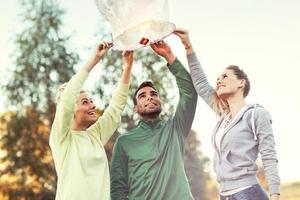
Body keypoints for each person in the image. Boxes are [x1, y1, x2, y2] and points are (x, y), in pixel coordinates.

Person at [174, 28, 280, 200]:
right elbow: (200, 83)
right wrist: (187, 46)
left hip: (248, 192)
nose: (219, 80)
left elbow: (269, 155)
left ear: (241, 82)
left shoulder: (255, 114)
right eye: (218, 78)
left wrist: (274, 194)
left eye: (224, 76)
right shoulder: (223, 115)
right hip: (225, 194)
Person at [110, 41, 198, 200]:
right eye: (142, 96)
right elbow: (118, 189)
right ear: (136, 108)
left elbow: (189, 92)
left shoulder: (176, 128)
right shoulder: (124, 142)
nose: (149, 96)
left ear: (160, 102)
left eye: (154, 94)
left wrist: (169, 55)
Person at [49, 42, 133, 200]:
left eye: (91, 100)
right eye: (85, 102)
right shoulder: (61, 138)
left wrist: (127, 67)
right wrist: (95, 59)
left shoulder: (95, 135)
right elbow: (67, 100)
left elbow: (116, 106)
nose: (93, 105)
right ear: (71, 110)